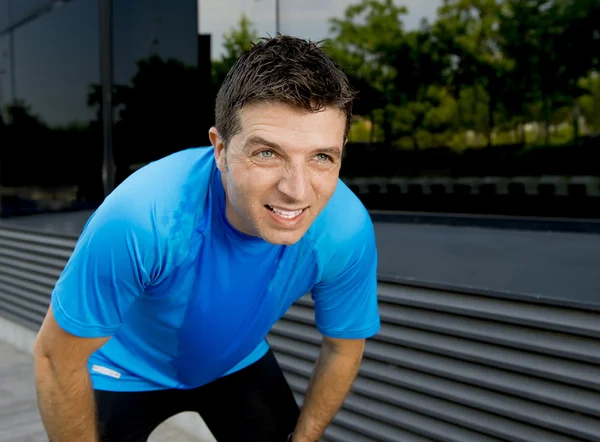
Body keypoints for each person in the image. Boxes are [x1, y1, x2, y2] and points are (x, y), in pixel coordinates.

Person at [33, 35, 380, 442]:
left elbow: (343, 347)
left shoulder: (344, 228)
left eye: (322, 157)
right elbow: (55, 359)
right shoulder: (142, 218)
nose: (297, 191)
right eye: (267, 152)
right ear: (219, 149)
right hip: (123, 370)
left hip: (235, 362)